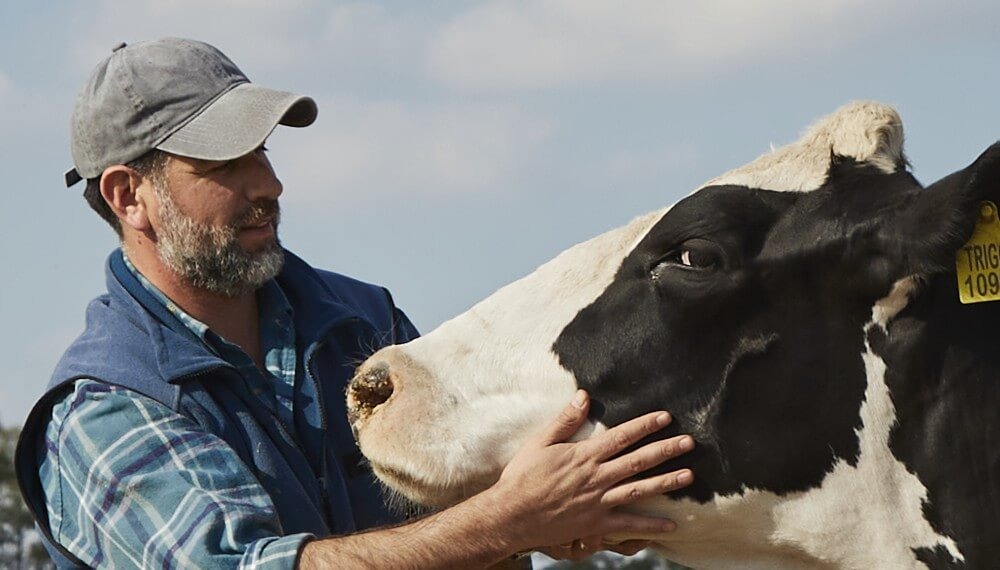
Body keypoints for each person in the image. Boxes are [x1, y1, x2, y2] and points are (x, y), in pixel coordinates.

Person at [14, 38, 696, 569]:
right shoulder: (102, 409)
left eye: (263, 150)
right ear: (128, 196)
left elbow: (470, 511)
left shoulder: (364, 322)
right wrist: (511, 520)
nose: (269, 183)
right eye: (224, 166)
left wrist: (568, 518)